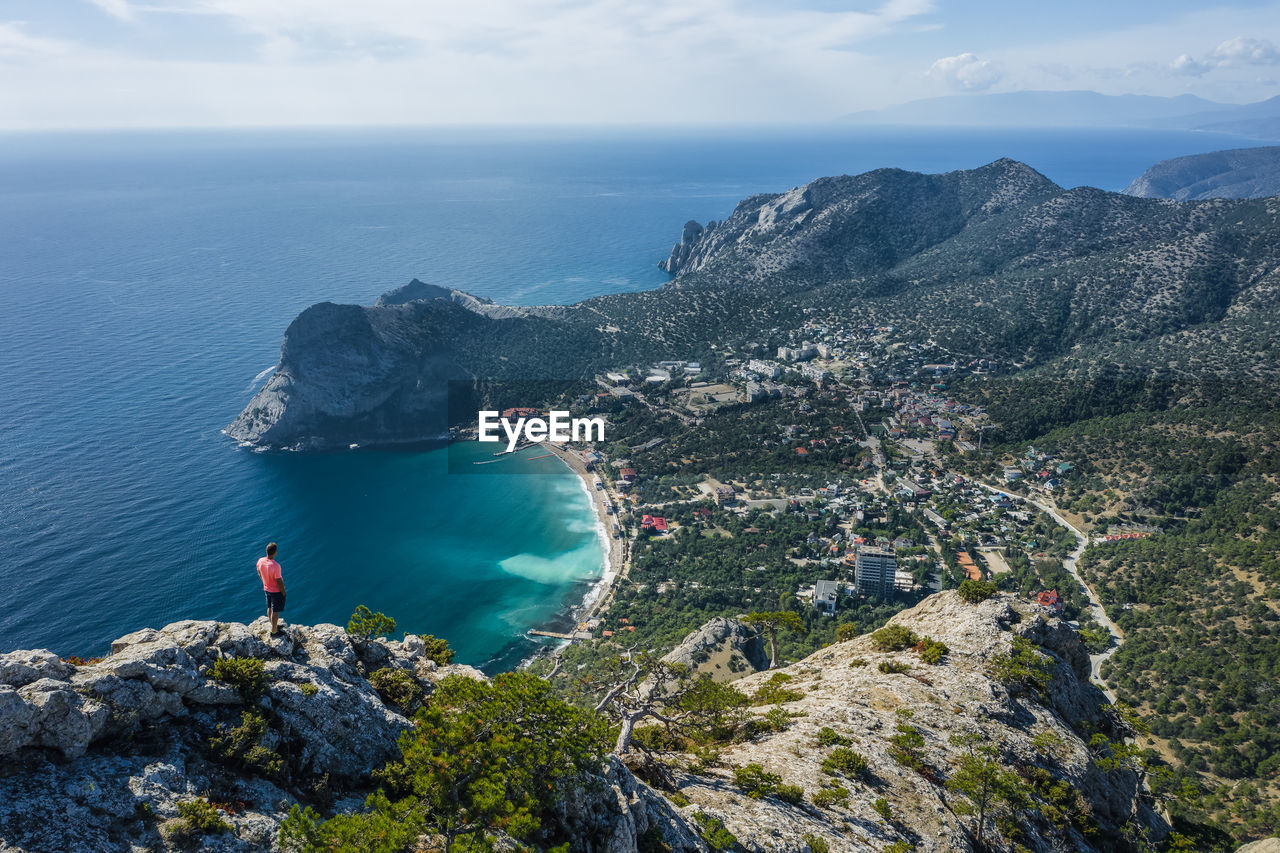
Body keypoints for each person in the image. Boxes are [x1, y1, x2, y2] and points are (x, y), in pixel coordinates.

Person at [256, 542, 286, 636]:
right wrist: (283, 592)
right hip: (276, 591)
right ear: (275, 552)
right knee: (275, 611)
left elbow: (259, 571)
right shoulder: (276, 566)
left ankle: (273, 624)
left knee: (269, 607)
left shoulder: (260, 561)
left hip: (266, 589)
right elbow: (279, 581)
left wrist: (264, 582)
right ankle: (274, 631)